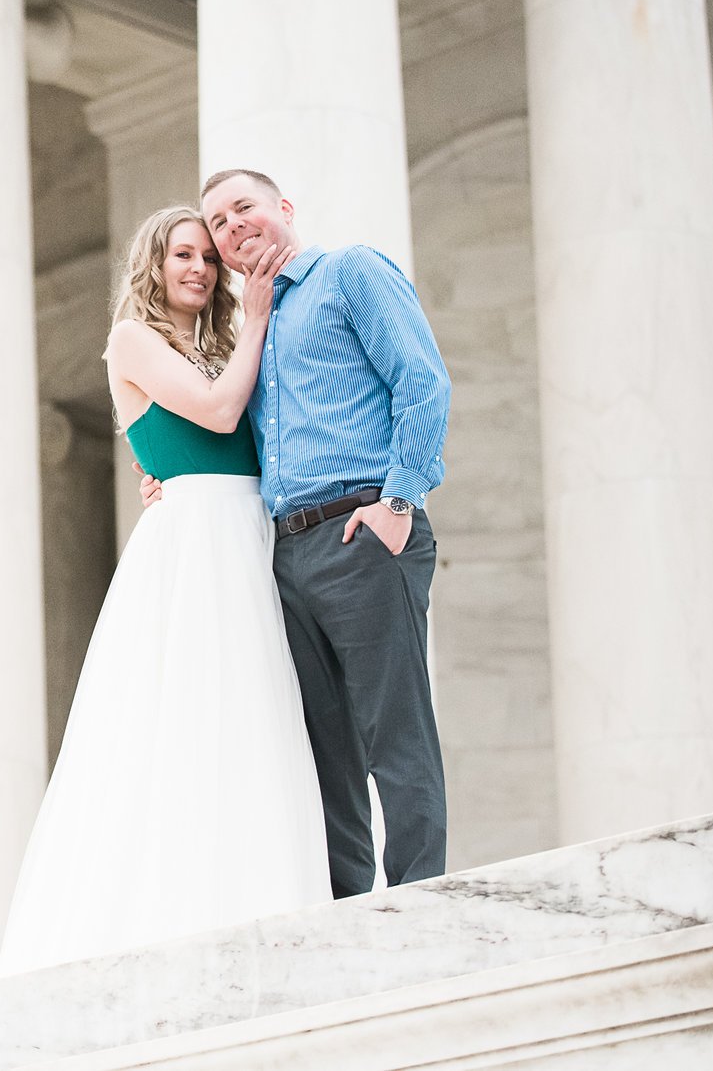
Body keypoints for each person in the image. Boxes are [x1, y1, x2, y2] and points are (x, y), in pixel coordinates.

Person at [0, 205, 331, 975]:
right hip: (196, 545)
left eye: (209, 259)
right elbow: (215, 412)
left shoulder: (217, 346)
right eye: (184, 254)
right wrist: (256, 317)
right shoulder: (132, 338)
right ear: (154, 262)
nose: (200, 269)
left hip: (252, 535)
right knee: (183, 721)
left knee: (259, 719)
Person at [163, 168, 452, 897]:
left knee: (395, 730)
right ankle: (348, 913)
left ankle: (419, 899)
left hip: (362, 531)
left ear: (284, 208)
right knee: (322, 752)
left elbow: (422, 381)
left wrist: (398, 503)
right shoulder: (251, 329)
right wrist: (173, 474)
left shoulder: (350, 273)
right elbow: (247, 436)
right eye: (219, 223)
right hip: (285, 555)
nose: (231, 229)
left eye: (244, 209)